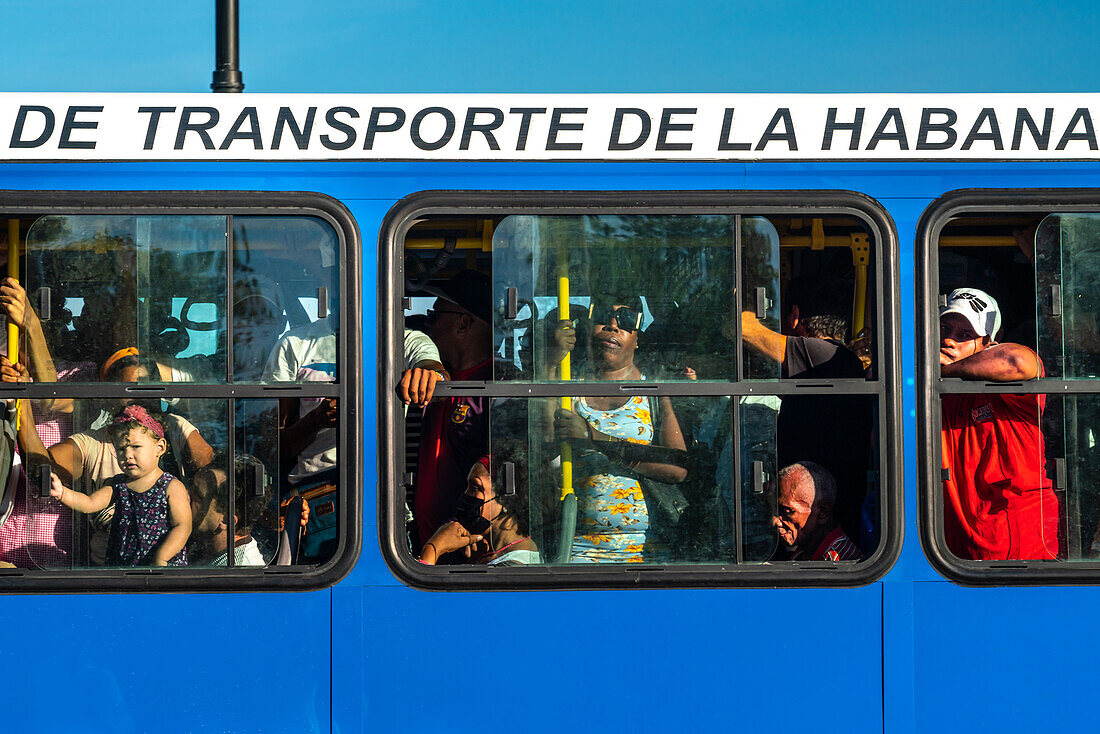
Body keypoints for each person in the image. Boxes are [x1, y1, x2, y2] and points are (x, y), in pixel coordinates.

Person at [732, 278, 872, 547]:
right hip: (818, 515)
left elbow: (742, 328)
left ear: (794, 317)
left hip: (813, 517)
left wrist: (746, 293)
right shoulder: (840, 363)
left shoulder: (819, 352)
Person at [551, 295, 688, 563]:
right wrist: (551, 361)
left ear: (637, 339)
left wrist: (595, 438)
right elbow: (542, 439)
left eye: (626, 321)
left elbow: (677, 467)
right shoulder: (567, 383)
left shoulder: (654, 393)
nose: (613, 326)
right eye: (603, 318)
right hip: (575, 549)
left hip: (647, 554)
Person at [938, 287, 1060, 560]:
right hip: (958, 550)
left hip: (1024, 546)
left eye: (965, 335)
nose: (948, 340)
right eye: (944, 327)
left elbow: (1016, 361)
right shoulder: (932, 393)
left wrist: (941, 370)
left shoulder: (1007, 391)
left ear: (991, 342)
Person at [49, 405, 191, 567]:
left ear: (159, 448)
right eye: (121, 449)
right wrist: (62, 493)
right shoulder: (118, 484)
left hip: (161, 568)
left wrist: (162, 558)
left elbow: (183, 526)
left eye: (136, 447)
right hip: (122, 567)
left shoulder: (170, 486)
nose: (128, 455)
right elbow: (89, 503)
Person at [412, 269, 495, 547]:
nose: (428, 326)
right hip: (419, 547)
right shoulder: (428, 376)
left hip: (469, 545)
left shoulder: (501, 385)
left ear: (462, 325)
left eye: (434, 316)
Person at [418, 450, 540, 566]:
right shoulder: (491, 553)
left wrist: (433, 548)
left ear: (506, 500)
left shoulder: (515, 564)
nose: (466, 495)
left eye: (475, 488)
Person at [771, 461, 861, 561]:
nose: (775, 522)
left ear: (823, 512)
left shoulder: (840, 560)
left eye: (788, 511)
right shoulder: (803, 551)